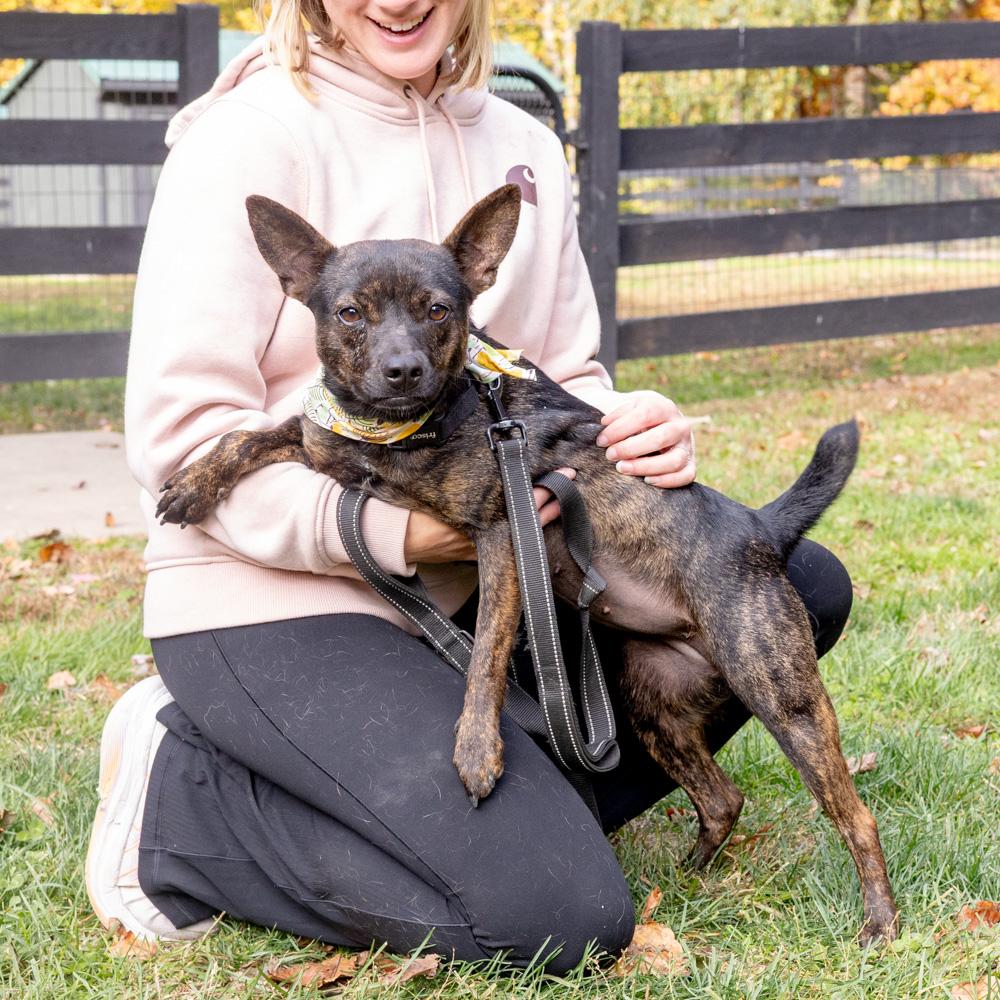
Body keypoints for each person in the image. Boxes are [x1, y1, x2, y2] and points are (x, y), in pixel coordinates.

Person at [85, 0, 854, 973]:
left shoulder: (523, 145)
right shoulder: (243, 138)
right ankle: (180, 804)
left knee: (795, 582)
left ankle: (489, 823)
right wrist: (392, 533)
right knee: (558, 915)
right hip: (272, 598)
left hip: (486, 585)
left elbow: (559, 374)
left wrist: (630, 418)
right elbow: (180, 436)